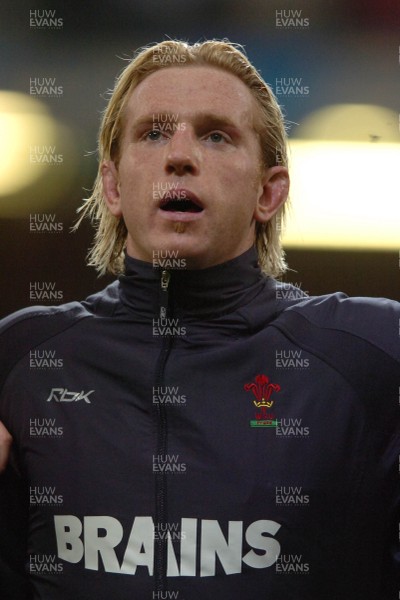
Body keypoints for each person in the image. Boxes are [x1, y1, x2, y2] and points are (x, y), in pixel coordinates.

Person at [0, 39, 399, 600]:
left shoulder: (370, 358)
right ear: (113, 186)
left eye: (216, 135)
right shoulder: (24, 360)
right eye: (154, 133)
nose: (180, 155)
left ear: (268, 191)